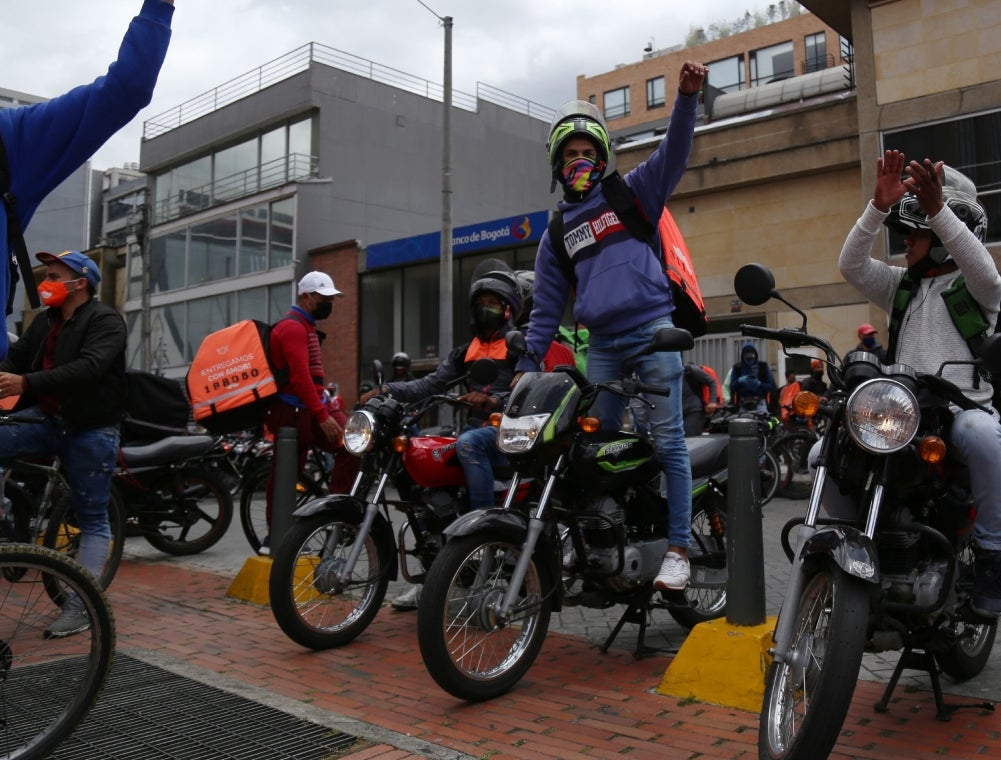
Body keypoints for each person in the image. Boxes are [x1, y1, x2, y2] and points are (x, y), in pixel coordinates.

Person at [515, 60, 709, 593]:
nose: (580, 160)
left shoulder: (633, 194)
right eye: (570, 155)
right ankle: (606, 540)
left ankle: (677, 548)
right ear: (557, 164)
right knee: (590, 448)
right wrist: (527, 366)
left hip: (653, 333)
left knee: (667, 441)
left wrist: (688, 98)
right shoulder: (557, 233)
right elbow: (546, 309)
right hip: (600, 348)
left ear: (602, 158)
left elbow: (674, 151)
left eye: (588, 153)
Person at [838, 149, 1001, 618]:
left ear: (940, 237)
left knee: (984, 435)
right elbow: (851, 266)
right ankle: (840, 543)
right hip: (899, 416)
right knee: (824, 451)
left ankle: (993, 557)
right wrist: (876, 207)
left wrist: (936, 212)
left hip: (956, 414)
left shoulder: (978, 286)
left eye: (915, 236)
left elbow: (985, 270)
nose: (906, 244)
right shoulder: (903, 285)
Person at [0, 0, 173, 358]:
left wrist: (159, 5)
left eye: (54, 276)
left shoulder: (9, 141)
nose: (49, 283)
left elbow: (125, 89)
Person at [364, 263, 530, 610]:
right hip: (476, 432)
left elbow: (531, 391)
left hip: (508, 435)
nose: (487, 309)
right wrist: (385, 390)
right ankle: (434, 575)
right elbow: (429, 384)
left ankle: (482, 536)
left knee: (469, 443)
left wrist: (494, 400)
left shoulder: (520, 347)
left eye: (494, 303)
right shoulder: (464, 351)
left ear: (509, 309)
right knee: (417, 456)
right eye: (481, 302)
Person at [0, 251, 124, 637]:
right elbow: (14, 360)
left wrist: (28, 384)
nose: (45, 282)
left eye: (53, 275)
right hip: (48, 419)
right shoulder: (46, 321)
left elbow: (90, 367)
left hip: (91, 428)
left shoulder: (106, 321)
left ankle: (80, 606)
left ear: (79, 283)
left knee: (91, 519)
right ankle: (4, 516)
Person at [263, 272, 360, 554]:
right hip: (293, 411)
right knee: (285, 473)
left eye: (331, 298)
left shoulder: (305, 326)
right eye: (324, 298)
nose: (329, 303)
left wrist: (326, 407)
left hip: (309, 407)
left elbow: (312, 380)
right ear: (306, 297)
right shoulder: (293, 327)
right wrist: (322, 415)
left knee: (353, 443)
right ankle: (275, 535)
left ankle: (334, 511)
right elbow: (300, 377)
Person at [729, 342, 776, 412]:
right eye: (747, 358)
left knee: (762, 421)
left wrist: (759, 384)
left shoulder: (762, 366)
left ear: (755, 356)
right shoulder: (737, 368)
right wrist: (739, 380)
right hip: (742, 403)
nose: (750, 361)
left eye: (751, 358)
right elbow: (732, 387)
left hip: (760, 402)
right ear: (743, 357)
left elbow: (771, 387)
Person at [682, 360, 721, 436]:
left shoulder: (689, 370)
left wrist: (712, 401)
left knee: (690, 441)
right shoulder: (664, 373)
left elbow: (711, 381)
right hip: (675, 414)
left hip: (692, 411)